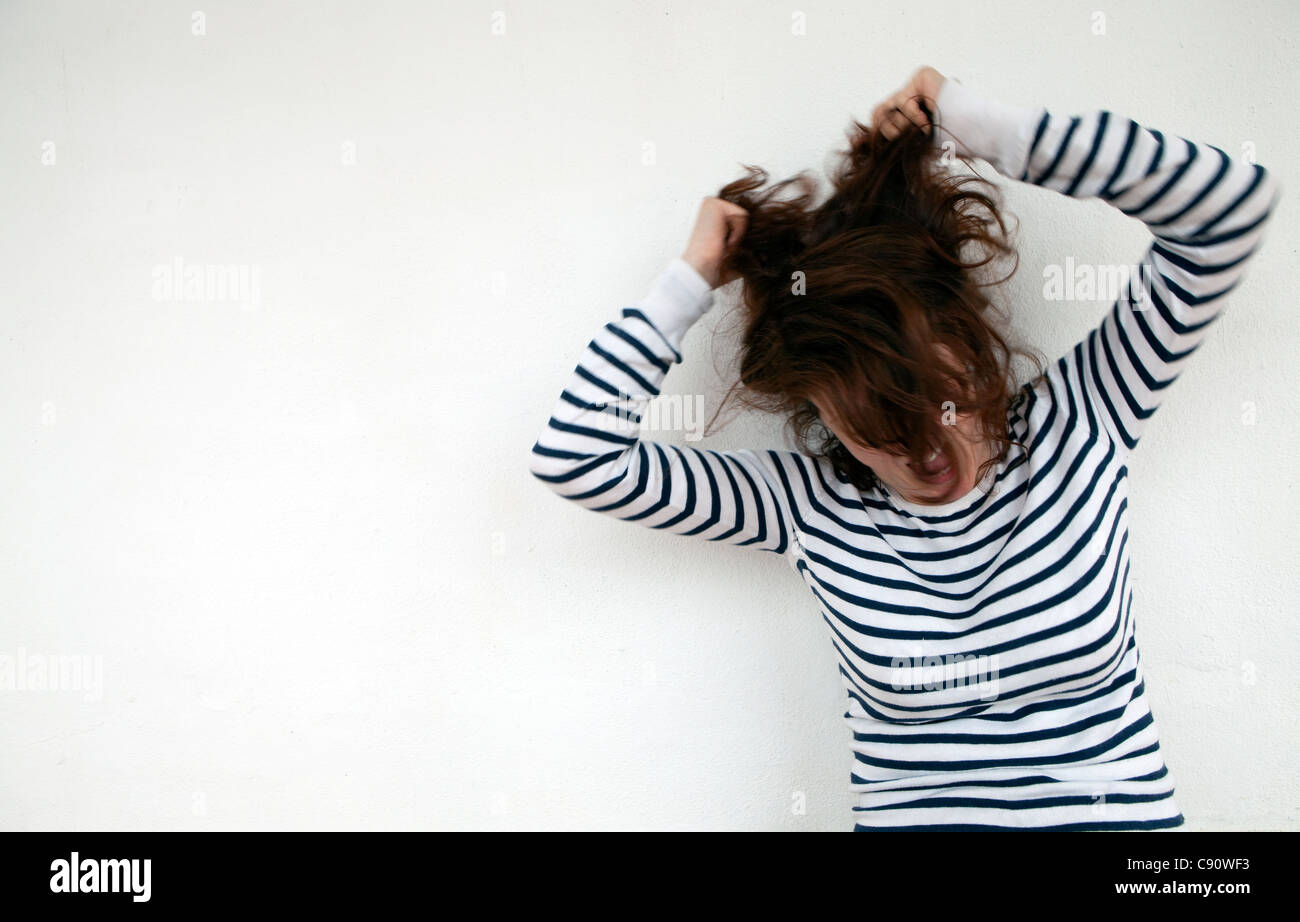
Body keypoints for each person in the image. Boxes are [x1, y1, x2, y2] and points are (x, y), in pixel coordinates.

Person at [528, 65, 1280, 830]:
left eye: (925, 400)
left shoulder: (1086, 415)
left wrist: (981, 126)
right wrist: (689, 281)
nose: (917, 450)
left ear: (965, 340)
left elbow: (1229, 210)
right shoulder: (809, 503)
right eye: (871, 426)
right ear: (819, 408)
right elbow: (577, 457)